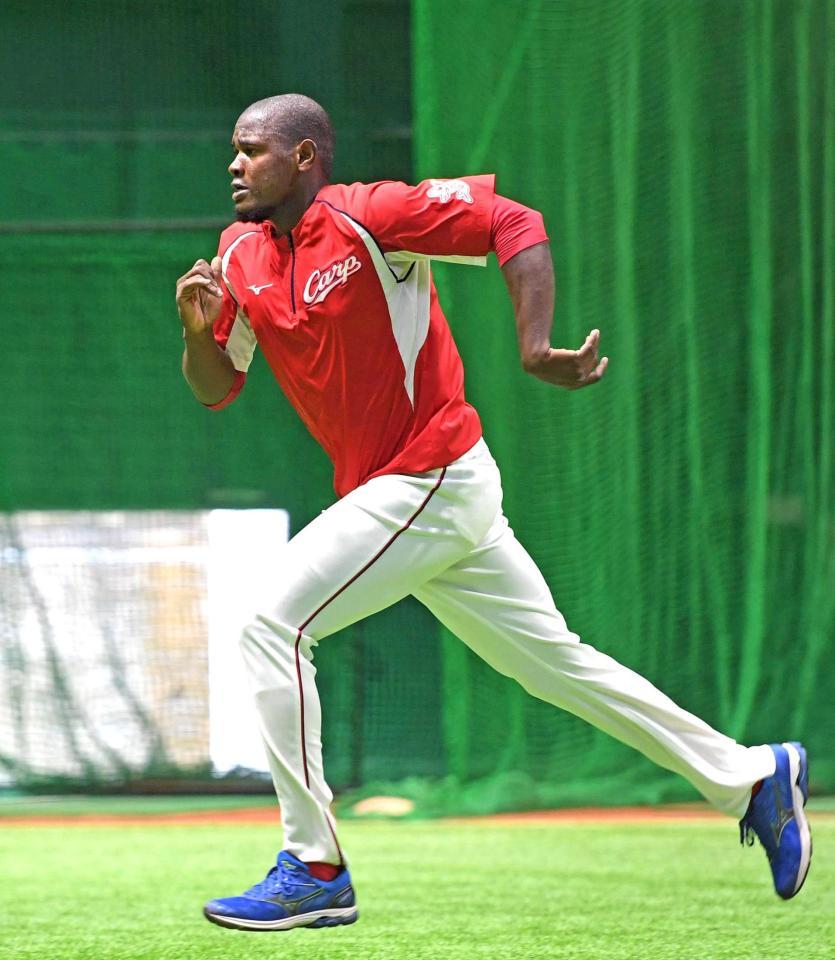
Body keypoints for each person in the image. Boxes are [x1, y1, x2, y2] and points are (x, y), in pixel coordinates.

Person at [175, 94, 811, 931]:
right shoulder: (238, 256)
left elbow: (513, 221)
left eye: (252, 149)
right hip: (412, 493)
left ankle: (314, 864)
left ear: (304, 158)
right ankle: (752, 777)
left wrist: (534, 343)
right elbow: (220, 386)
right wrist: (196, 333)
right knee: (555, 665)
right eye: (232, 148)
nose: (234, 164)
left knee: (270, 621)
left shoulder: (374, 215)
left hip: (428, 474)